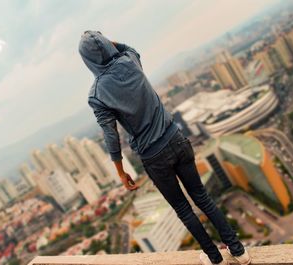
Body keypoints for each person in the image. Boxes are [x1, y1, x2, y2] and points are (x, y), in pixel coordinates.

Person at [78, 30, 251, 265]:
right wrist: (105, 41)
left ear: (86, 61)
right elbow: (129, 46)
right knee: (203, 198)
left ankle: (215, 259)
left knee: (183, 209)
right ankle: (239, 251)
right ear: (109, 46)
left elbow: (111, 135)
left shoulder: (97, 95)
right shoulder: (129, 60)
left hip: (154, 156)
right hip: (176, 139)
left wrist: (120, 171)